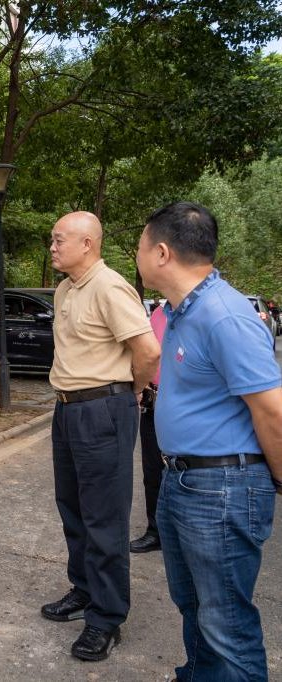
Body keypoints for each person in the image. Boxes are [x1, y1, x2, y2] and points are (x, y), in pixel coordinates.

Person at [136, 202, 282, 681]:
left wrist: (275, 481)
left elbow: (273, 412)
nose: (136, 254)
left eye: (139, 244)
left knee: (227, 624)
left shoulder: (225, 315)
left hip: (222, 488)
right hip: (185, 482)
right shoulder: (183, 311)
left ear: (161, 252)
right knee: (194, 606)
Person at [42, 211, 160, 662]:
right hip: (67, 409)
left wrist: (127, 391)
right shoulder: (66, 288)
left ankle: (107, 618)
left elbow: (148, 350)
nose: (52, 247)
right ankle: (84, 589)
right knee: (72, 507)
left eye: (59, 240)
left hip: (102, 409)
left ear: (87, 243)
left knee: (104, 518)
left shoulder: (110, 286)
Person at [130, 295, 168, 553]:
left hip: (182, 406)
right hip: (153, 403)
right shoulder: (158, 313)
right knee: (152, 471)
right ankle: (155, 531)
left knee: (182, 473)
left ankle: (180, 534)